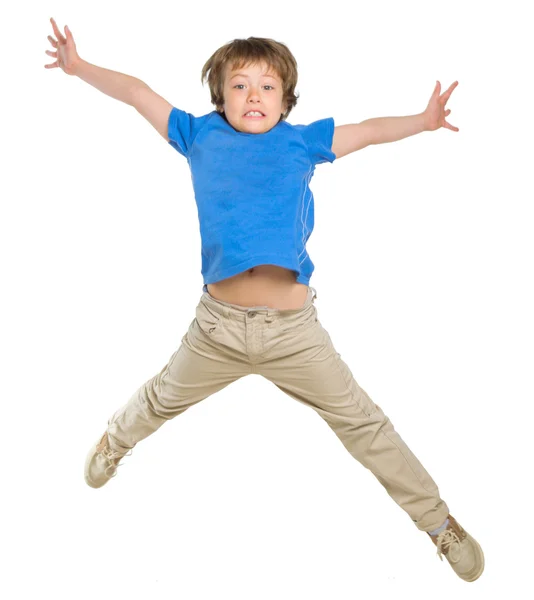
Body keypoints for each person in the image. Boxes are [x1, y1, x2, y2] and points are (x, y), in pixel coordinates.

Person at [45, 17, 484, 582]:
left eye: (268, 86)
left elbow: (369, 130)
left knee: (366, 426)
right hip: (218, 331)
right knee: (161, 398)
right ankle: (115, 440)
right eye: (239, 84)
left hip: (294, 334)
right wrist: (79, 68)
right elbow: (136, 93)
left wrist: (422, 122)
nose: (254, 95)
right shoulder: (197, 135)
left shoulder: (302, 142)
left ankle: (438, 523)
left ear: (286, 100)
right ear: (219, 97)